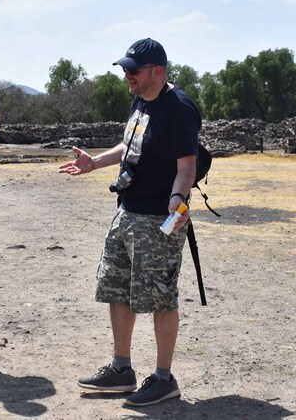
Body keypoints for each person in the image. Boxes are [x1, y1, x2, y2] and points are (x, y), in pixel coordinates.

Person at [59, 38, 201, 407]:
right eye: (125, 69)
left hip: (158, 217)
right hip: (127, 212)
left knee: (159, 298)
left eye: (133, 70)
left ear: (158, 71)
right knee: (116, 288)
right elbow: (130, 145)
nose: (127, 76)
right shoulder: (140, 100)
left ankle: (164, 378)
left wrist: (177, 203)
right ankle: (122, 370)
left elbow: (187, 164)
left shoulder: (179, 108)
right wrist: (95, 164)